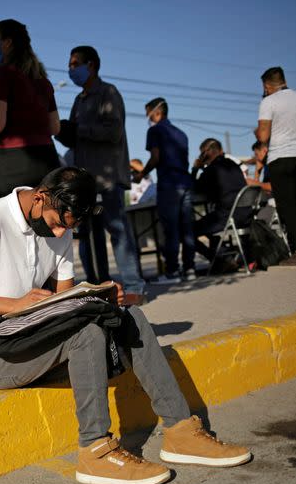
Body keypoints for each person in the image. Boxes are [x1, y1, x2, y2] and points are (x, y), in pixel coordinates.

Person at [0, 166, 251, 484]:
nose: (59, 235)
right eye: (57, 224)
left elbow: (64, 303)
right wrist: (12, 305)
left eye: (67, 228)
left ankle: (181, 433)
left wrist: (100, 297)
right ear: (40, 198)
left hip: (37, 343)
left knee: (131, 318)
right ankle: (95, 451)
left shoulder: (61, 223)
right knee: (86, 335)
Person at [65, 46, 146, 305]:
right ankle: (98, 287)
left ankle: (134, 287)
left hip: (108, 177)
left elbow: (113, 131)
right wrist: (61, 130)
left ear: (91, 66)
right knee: (89, 235)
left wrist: (80, 129)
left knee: (117, 230)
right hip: (86, 180)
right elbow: (73, 136)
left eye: (76, 63)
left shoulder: (108, 93)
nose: (71, 69)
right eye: (70, 64)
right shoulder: (79, 101)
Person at [0, 19, 61, 198]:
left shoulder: (0, 75)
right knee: (44, 221)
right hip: (47, 161)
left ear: (7, 43)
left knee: (14, 224)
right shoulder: (43, 81)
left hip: (11, 164)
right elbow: (55, 128)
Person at [255, 66, 296, 265]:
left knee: (287, 206)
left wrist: (258, 132)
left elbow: (263, 136)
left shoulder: (268, 101)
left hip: (281, 158)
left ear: (267, 86)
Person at [136, 98, 195, 283]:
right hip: (185, 183)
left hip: (169, 185)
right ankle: (190, 269)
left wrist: (142, 174)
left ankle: (172, 272)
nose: (148, 118)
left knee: (171, 231)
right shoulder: (182, 134)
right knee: (187, 229)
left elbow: (155, 158)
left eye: (149, 114)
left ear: (157, 112)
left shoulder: (155, 131)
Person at [191, 139, 252, 264]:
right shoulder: (233, 165)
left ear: (206, 153)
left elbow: (194, 188)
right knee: (209, 222)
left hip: (227, 217)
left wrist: (196, 169)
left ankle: (220, 260)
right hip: (246, 215)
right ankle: (222, 252)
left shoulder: (211, 170)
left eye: (201, 153)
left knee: (185, 232)